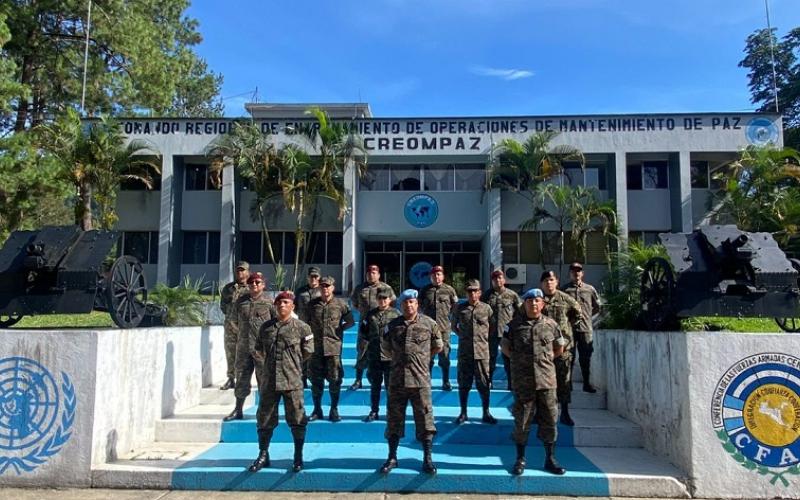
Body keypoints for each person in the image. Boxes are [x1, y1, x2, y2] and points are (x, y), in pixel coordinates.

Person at [502, 288, 567, 476]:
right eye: (530, 300)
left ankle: (550, 458)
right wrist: (519, 361)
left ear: (543, 304)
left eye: (537, 300)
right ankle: (520, 459)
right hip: (524, 382)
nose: (533, 303)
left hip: (546, 381)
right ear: (524, 304)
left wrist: (546, 361)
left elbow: (559, 348)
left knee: (550, 420)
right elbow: (505, 346)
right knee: (522, 421)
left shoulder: (551, 325)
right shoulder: (513, 325)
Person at [248, 291, 314, 473]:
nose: (282, 305)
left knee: (297, 419)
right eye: (279, 303)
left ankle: (298, 456)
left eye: (285, 302)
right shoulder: (266, 328)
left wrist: (291, 364)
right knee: (264, 418)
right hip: (270, 381)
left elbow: (308, 351)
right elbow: (259, 349)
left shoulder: (302, 328)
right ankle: (263, 454)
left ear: (292, 306)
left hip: (292, 380)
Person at [380, 289, 443, 475]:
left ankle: (427, 459)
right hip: (397, 380)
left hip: (420, 380)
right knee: (394, 420)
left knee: (425, 420)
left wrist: (421, 358)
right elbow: (386, 348)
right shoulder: (392, 326)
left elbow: (437, 346)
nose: (409, 305)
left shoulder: (429, 324)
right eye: (405, 302)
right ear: (400, 305)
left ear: (417, 304)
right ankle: (392, 457)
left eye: (412, 302)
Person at [223, 272, 276, 421]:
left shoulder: (269, 302)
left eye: (257, 282)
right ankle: (238, 410)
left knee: (264, 381)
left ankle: (264, 412)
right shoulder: (240, 302)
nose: (254, 285)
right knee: (241, 380)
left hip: (262, 350)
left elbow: (276, 323)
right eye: (251, 282)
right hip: (244, 349)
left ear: (263, 285)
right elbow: (233, 321)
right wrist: (242, 335)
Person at [540, 270, 590, 427]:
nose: (549, 283)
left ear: (557, 282)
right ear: (541, 284)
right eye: (546, 280)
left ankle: (565, 413)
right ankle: (540, 413)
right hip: (542, 350)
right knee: (541, 382)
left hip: (563, 348)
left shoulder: (566, 299)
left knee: (564, 381)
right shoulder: (537, 300)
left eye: (551, 280)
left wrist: (567, 330)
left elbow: (578, 314)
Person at [307, 276, 355, 422]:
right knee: (316, 381)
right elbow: (305, 323)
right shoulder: (312, 304)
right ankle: (317, 409)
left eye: (327, 286)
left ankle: (334, 409)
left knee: (335, 380)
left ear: (333, 288)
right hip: (316, 349)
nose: (325, 289)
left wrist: (339, 330)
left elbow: (351, 321)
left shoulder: (341, 304)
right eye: (322, 286)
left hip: (333, 349)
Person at [453, 279, 496, 424]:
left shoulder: (486, 308)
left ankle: (486, 412)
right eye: (469, 291)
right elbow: (454, 326)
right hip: (465, 352)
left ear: (479, 292)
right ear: (466, 293)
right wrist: (464, 337)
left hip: (481, 353)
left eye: (475, 291)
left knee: (484, 383)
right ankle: (463, 412)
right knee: (464, 383)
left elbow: (492, 327)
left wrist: (481, 339)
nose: (472, 294)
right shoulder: (460, 308)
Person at [349, 264, 396, 391]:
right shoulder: (360, 288)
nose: (371, 275)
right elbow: (355, 304)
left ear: (379, 275)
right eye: (369, 273)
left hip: (382, 325)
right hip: (365, 325)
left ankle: (388, 381)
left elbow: (393, 303)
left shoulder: (386, 288)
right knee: (361, 351)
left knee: (385, 352)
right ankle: (358, 380)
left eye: (374, 273)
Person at [358, 285, 400, 421]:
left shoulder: (396, 315)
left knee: (390, 387)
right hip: (374, 355)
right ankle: (374, 411)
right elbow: (363, 332)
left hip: (390, 356)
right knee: (375, 386)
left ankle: (391, 412)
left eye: (385, 298)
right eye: (380, 298)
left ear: (389, 300)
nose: (382, 301)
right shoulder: (370, 315)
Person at [562, 262, 601, 393]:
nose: (576, 273)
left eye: (578, 271)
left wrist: (588, 316)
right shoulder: (564, 290)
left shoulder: (590, 289)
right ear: (570, 274)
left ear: (582, 273)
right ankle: (568, 384)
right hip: (570, 329)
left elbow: (597, 307)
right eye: (573, 271)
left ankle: (586, 383)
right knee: (569, 357)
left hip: (585, 329)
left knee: (586, 357)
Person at [481, 269, 522, 390]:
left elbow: (520, 312)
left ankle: (511, 382)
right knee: (490, 359)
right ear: (492, 281)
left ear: (504, 280)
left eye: (499, 278)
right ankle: (488, 382)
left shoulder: (512, 295)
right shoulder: (486, 295)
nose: (497, 280)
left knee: (508, 358)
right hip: (491, 332)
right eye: (495, 279)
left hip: (507, 333)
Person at [420, 265, 458, 391]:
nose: (436, 277)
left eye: (439, 274)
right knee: (428, 356)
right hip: (428, 329)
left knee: (445, 355)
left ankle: (446, 381)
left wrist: (448, 318)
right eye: (434, 275)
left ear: (443, 276)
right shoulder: (425, 290)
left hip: (443, 328)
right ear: (430, 277)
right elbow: (419, 306)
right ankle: (427, 381)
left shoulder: (450, 290)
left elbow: (454, 306)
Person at [218, 261, 250, 390]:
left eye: (242, 270)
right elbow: (223, 306)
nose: (240, 273)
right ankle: (231, 378)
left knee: (245, 354)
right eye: (238, 270)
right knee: (230, 352)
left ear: (248, 272)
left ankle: (243, 379)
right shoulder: (228, 288)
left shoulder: (251, 287)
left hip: (245, 327)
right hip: (230, 327)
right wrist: (231, 317)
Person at [295, 266, 322, 388]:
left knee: (317, 354)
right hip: (303, 328)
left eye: (316, 276)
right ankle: (303, 378)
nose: (313, 279)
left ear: (319, 277)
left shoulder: (322, 290)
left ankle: (316, 378)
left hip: (318, 329)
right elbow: (294, 306)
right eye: (311, 276)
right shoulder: (300, 292)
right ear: (308, 277)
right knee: (303, 352)